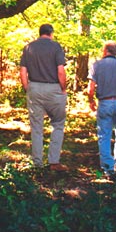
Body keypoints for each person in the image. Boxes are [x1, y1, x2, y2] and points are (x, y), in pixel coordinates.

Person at [20, 24, 68, 171]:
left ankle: (37, 163)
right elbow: (61, 71)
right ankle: (54, 161)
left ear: (40, 33)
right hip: (54, 88)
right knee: (58, 124)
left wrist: (27, 88)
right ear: (51, 33)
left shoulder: (28, 48)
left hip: (34, 87)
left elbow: (23, 71)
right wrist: (63, 88)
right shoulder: (56, 47)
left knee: (36, 127)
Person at [87, 41, 116, 176]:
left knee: (104, 135)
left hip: (105, 103)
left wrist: (91, 101)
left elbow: (90, 89)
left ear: (105, 51)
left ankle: (108, 168)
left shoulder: (96, 65)